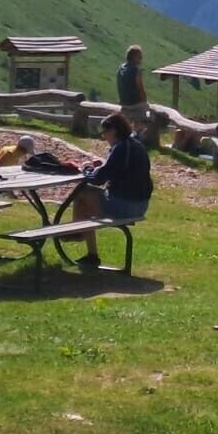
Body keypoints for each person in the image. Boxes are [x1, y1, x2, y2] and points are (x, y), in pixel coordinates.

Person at [72, 112, 153, 268]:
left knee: (83, 193)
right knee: (88, 200)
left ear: (113, 131)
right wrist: (101, 167)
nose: (104, 137)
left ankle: (77, 232)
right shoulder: (135, 145)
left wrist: (87, 169)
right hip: (141, 205)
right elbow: (116, 169)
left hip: (124, 207)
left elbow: (98, 179)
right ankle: (84, 243)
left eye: (105, 133)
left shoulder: (120, 148)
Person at [115, 44, 149, 131]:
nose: (141, 59)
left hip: (123, 103)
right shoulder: (136, 71)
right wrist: (145, 101)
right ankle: (139, 134)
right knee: (148, 113)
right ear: (134, 57)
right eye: (139, 56)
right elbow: (140, 89)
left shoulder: (120, 68)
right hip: (135, 104)